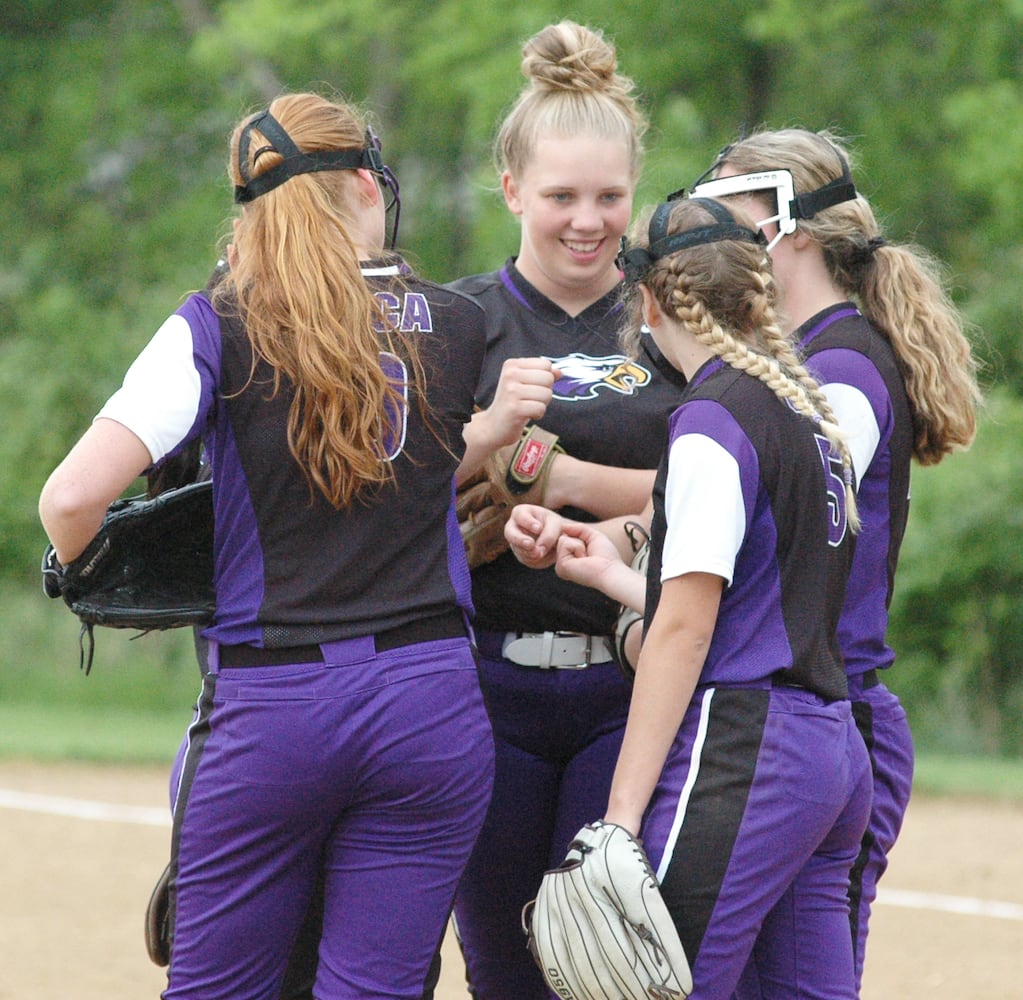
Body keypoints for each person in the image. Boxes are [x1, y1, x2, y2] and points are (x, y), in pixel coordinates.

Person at [39, 91, 495, 1000]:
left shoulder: (217, 322)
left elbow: (70, 498)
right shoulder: (460, 321)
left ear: (252, 212)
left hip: (276, 704)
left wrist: (91, 569)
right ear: (368, 187)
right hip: (430, 700)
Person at [525, 194, 873, 998]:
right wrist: (617, 577)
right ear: (758, 294)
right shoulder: (802, 412)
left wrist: (618, 815)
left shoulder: (714, 417)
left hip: (748, 751)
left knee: (650, 986)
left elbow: (684, 632)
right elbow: (758, 601)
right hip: (826, 748)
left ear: (647, 301)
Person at [684, 127, 981, 994]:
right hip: (813, 713)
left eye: (729, 216)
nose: (714, 241)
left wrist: (574, 478)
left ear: (791, 229)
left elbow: (773, 521)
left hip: (830, 707)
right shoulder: (806, 357)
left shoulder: (839, 366)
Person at [444, 20, 685, 1000]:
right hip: (483, 693)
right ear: (512, 191)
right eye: (560, 197)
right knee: (503, 968)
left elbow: (736, 490)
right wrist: (482, 458)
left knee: (604, 972)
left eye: (609, 197)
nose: (587, 221)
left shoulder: (670, 318)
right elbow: (392, 487)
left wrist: (575, 481)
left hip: (626, 688)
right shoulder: (460, 321)